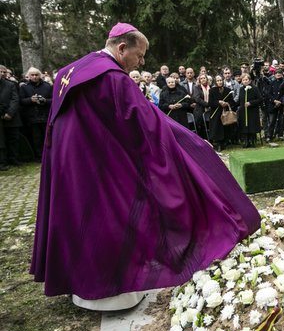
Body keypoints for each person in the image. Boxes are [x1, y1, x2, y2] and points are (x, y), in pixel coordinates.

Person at [31, 23, 260, 311]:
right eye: (139, 56)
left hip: (68, 162)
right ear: (122, 48)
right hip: (99, 165)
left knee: (78, 217)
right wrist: (191, 144)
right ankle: (110, 292)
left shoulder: (70, 72)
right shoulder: (113, 78)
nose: (141, 63)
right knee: (110, 218)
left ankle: (80, 287)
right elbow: (148, 125)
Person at [19, 67, 52, 160]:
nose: (34, 77)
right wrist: (30, 100)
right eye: (32, 75)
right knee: (36, 137)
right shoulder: (24, 87)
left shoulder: (47, 86)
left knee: (47, 136)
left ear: (40, 75)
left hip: (45, 115)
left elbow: (53, 100)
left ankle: (48, 155)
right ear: (29, 76)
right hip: (31, 116)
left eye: (36, 75)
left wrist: (45, 101)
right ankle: (39, 156)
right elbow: (20, 101)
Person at [238, 73, 262, 148]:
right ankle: (246, 141)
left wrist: (250, 103)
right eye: (243, 80)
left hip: (252, 111)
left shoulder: (254, 88)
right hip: (243, 111)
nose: (245, 81)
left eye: (246, 80)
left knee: (251, 125)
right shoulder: (241, 89)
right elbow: (240, 100)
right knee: (244, 125)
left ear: (249, 80)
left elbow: (260, 99)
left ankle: (252, 140)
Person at [265, 69, 284, 141]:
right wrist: (274, 100)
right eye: (276, 73)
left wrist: (280, 101)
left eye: (279, 73)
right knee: (271, 121)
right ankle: (269, 135)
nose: (278, 74)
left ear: (282, 74)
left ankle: (280, 135)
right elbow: (268, 94)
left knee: (281, 120)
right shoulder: (272, 83)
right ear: (274, 74)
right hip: (272, 104)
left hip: (282, 104)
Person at [192, 73, 211, 139]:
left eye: (204, 78)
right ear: (199, 80)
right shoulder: (196, 87)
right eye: (201, 78)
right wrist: (207, 104)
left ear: (207, 79)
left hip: (210, 109)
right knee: (200, 125)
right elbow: (197, 98)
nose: (203, 79)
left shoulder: (211, 87)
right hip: (200, 109)